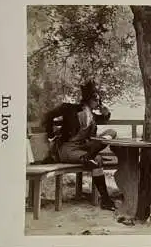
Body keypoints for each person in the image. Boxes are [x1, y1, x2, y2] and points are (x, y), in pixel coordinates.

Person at [42, 80, 118, 211]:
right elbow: (48, 116)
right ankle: (105, 199)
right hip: (67, 149)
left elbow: (104, 119)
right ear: (88, 99)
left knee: (112, 132)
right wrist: (51, 136)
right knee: (97, 160)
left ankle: (89, 157)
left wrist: (106, 112)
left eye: (99, 101)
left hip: (83, 147)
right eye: (96, 100)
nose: (98, 103)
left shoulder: (93, 116)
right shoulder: (69, 109)